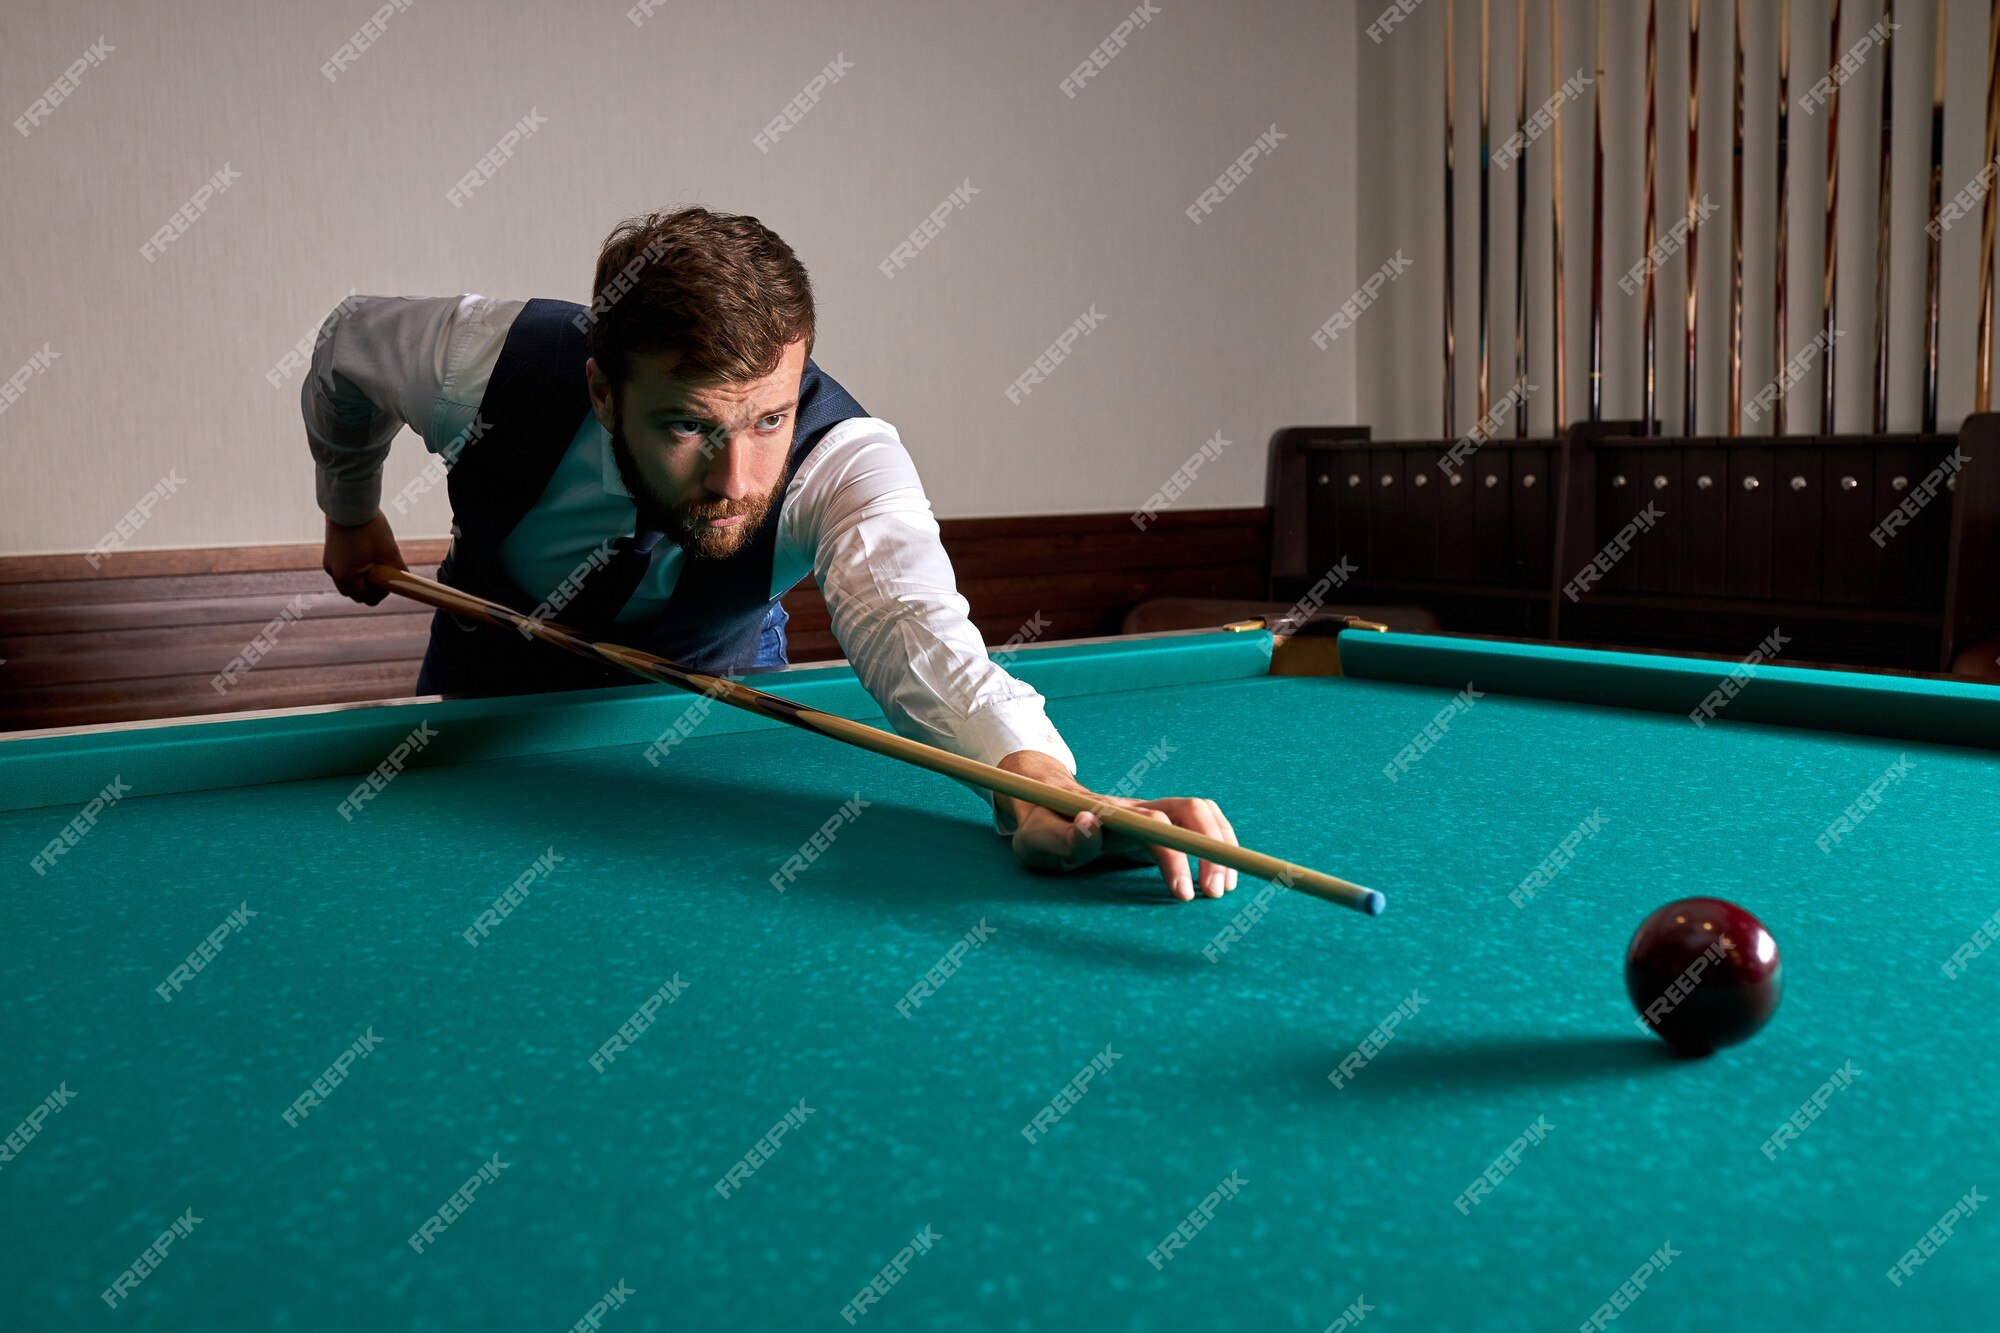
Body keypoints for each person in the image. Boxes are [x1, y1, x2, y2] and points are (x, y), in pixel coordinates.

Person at [306, 207, 1240, 899]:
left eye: (769, 418)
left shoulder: (848, 458)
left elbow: (911, 624)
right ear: (601, 390)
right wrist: (350, 507)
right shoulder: (483, 362)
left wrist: (1038, 783)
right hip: (492, 685)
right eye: (688, 425)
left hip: (719, 704)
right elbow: (346, 343)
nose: (737, 476)